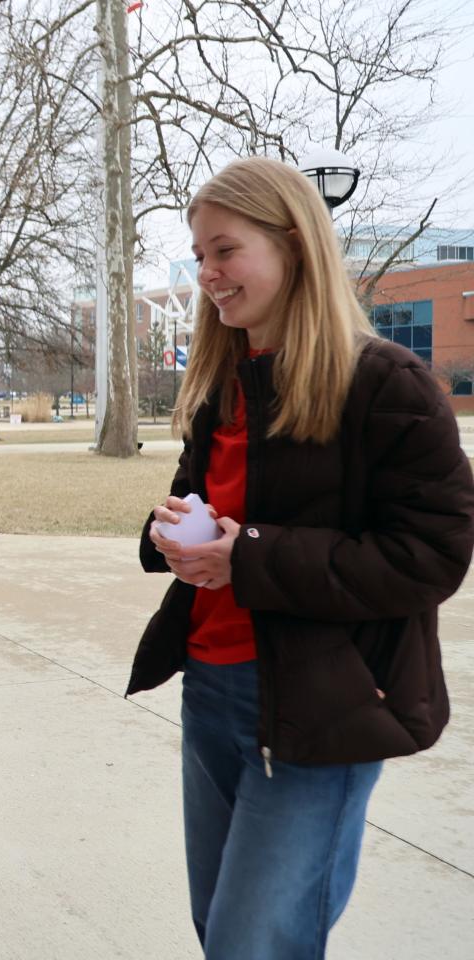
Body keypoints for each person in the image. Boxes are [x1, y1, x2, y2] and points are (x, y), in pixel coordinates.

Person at [129, 155, 474, 959]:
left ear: (293, 243)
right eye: (200, 255)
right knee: (223, 934)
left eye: (224, 250)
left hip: (324, 706)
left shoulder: (387, 385)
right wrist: (172, 534)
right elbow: (203, 505)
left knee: (257, 945)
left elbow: (432, 555)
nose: (208, 274)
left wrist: (243, 556)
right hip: (211, 692)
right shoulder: (224, 384)